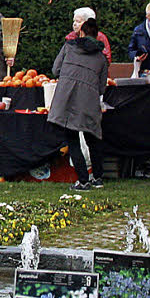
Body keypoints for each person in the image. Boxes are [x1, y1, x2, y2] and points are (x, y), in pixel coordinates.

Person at [49, 17, 108, 190]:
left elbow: (55, 70)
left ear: (81, 32)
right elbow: (102, 87)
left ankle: (83, 180)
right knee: (93, 139)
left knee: (72, 140)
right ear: (97, 36)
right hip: (89, 102)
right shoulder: (101, 58)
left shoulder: (69, 47)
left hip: (67, 99)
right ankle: (98, 178)